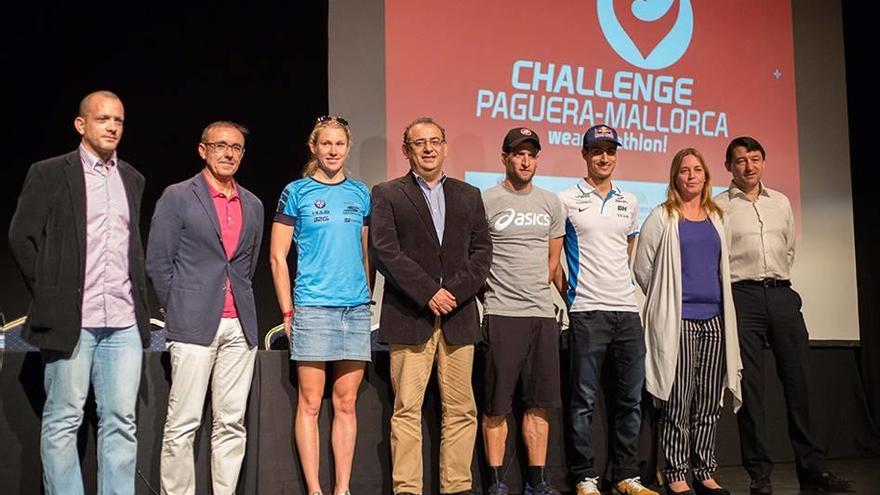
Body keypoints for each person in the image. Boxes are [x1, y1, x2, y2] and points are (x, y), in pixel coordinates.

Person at [8, 90, 151, 494]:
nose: (112, 127)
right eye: (103, 119)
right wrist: (50, 293)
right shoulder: (51, 172)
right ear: (81, 124)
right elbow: (22, 237)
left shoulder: (132, 179)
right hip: (74, 318)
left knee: (121, 421)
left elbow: (130, 245)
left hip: (122, 320)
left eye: (119, 121)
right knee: (63, 418)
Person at [715, 137, 852, 494]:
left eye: (756, 159)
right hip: (742, 297)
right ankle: (759, 474)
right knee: (751, 390)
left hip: (781, 294)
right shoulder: (718, 207)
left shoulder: (781, 202)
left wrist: (777, 286)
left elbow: (788, 248)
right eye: (741, 160)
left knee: (799, 385)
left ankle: (812, 469)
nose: (749, 166)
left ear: (764, 162)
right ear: (729, 166)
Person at [370, 117, 492, 495]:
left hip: (458, 316)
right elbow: (386, 251)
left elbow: (482, 253)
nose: (427, 149)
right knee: (407, 409)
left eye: (434, 141)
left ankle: (456, 486)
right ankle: (407, 488)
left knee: (461, 410)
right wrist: (428, 292)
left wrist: (451, 293)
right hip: (411, 315)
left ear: (445, 146)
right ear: (406, 151)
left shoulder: (469, 194)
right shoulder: (388, 193)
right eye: (418, 143)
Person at [146, 121, 264, 494]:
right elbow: (158, 262)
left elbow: (246, 264)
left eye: (237, 148)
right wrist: (177, 306)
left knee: (231, 422)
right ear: (203, 150)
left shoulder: (253, 204)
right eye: (221, 146)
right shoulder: (178, 196)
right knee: (183, 422)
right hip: (193, 323)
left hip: (239, 325)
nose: (229, 153)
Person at [269, 116, 372, 495]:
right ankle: (315, 490)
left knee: (346, 404)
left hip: (355, 310)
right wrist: (287, 313)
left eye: (339, 145)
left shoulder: (361, 193)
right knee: (310, 404)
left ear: (347, 148)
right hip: (312, 308)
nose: (333, 151)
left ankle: (342, 489)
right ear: (313, 147)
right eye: (325, 144)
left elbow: (365, 255)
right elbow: (277, 258)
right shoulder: (295, 191)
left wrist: (366, 298)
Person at [633, 148, 742, 495]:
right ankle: (677, 472)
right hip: (678, 321)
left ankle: (705, 470)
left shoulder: (717, 217)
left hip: (715, 320)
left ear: (707, 176)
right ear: (675, 177)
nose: (691, 175)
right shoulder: (662, 217)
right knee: (678, 402)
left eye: (698, 169)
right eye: (684, 170)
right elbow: (642, 267)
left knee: (708, 402)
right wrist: (668, 297)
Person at [557, 124, 658, 495]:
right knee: (582, 399)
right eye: (597, 151)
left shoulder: (628, 201)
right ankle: (585, 476)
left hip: (626, 311)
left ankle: (625, 476)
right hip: (586, 310)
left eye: (610, 151)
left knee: (630, 399)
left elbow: (627, 250)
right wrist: (570, 296)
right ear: (584, 155)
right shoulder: (566, 198)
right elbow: (554, 260)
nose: (604, 157)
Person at [480, 128, 565, 495]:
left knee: (539, 404)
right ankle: (497, 482)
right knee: (497, 404)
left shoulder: (551, 203)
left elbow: (553, 259)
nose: (525, 161)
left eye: (531, 154)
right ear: (505, 158)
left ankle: (537, 481)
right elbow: (477, 258)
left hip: (542, 315)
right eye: (518, 154)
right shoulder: (485, 201)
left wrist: (536, 294)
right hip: (501, 313)